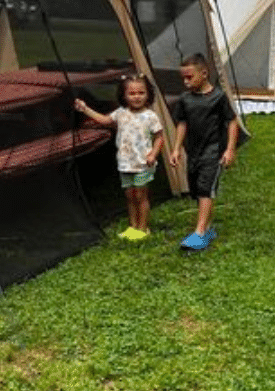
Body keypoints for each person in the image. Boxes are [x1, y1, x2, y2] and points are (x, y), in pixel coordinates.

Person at [75, 74, 164, 241]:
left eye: (141, 93)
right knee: (130, 195)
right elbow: (104, 120)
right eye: (132, 93)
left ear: (148, 94)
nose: (137, 97)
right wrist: (85, 109)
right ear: (124, 95)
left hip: (143, 164)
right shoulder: (120, 113)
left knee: (141, 195)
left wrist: (153, 153)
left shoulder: (150, 116)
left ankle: (144, 228)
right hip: (125, 164)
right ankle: (133, 227)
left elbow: (160, 137)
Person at [168, 53, 241, 251]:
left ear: (204, 73)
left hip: (214, 151)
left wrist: (230, 149)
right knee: (196, 188)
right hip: (194, 151)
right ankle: (207, 228)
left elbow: (231, 122)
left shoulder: (218, 97)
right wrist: (176, 149)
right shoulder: (185, 99)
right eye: (183, 78)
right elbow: (181, 123)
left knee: (205, 188)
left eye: (189, 77)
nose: (185, 82)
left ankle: (199, 232)